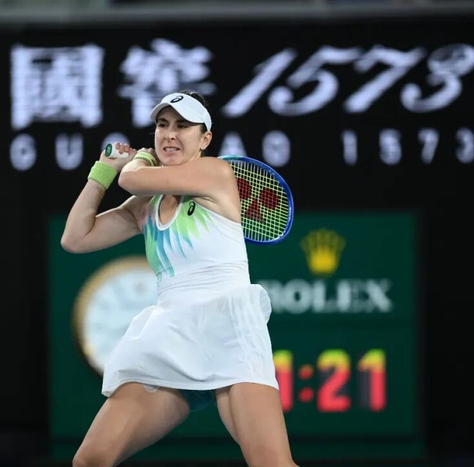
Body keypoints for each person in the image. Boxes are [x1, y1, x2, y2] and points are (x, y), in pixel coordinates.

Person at [61, 90, 298, 467]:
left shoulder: (215, 173)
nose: (169, 134)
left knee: (271, 464)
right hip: (170, 334)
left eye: (183, 126)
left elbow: (132, 179)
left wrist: (138, 159)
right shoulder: (145, 205)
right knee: (90, 461)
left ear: (205, 139)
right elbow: (75, 238)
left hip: (229, 328)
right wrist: (102, 171)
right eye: (162, 125)